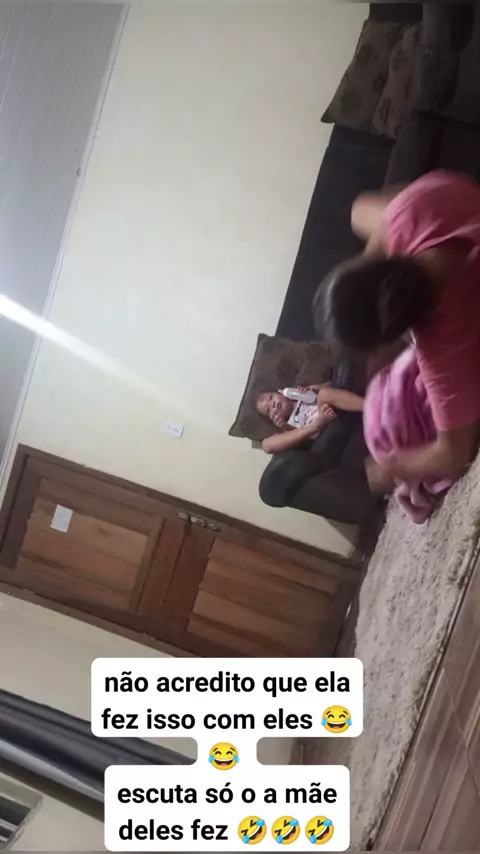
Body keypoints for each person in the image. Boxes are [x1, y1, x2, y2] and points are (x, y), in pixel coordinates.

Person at [314, 170, 480, 491]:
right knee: (362, 213)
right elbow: (361, 209)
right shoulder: (410, 209)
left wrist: (390, 468)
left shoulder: (442, 349)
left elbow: (454, 454)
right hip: (445, 202)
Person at [256, 384, 364, 454]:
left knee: (324, 393)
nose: (273, 404)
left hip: (324, 409)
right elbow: (301, 440)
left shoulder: (301, 394)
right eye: (268, 410)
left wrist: (314, 389)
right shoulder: (288, 425)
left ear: (280, 392)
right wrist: (285, 426)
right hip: (317, 429)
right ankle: (318, 424)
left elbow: (332, 384)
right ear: (272, 418)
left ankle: (368, 406)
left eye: (271, 398)